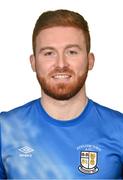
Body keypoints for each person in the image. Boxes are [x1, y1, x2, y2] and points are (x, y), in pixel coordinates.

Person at [0, 9, 123, 180]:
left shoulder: (120, 129)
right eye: (49, 53)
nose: (61, 64)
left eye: (72, 52)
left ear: (90, 60)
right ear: (33, 62)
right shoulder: (5, 129)